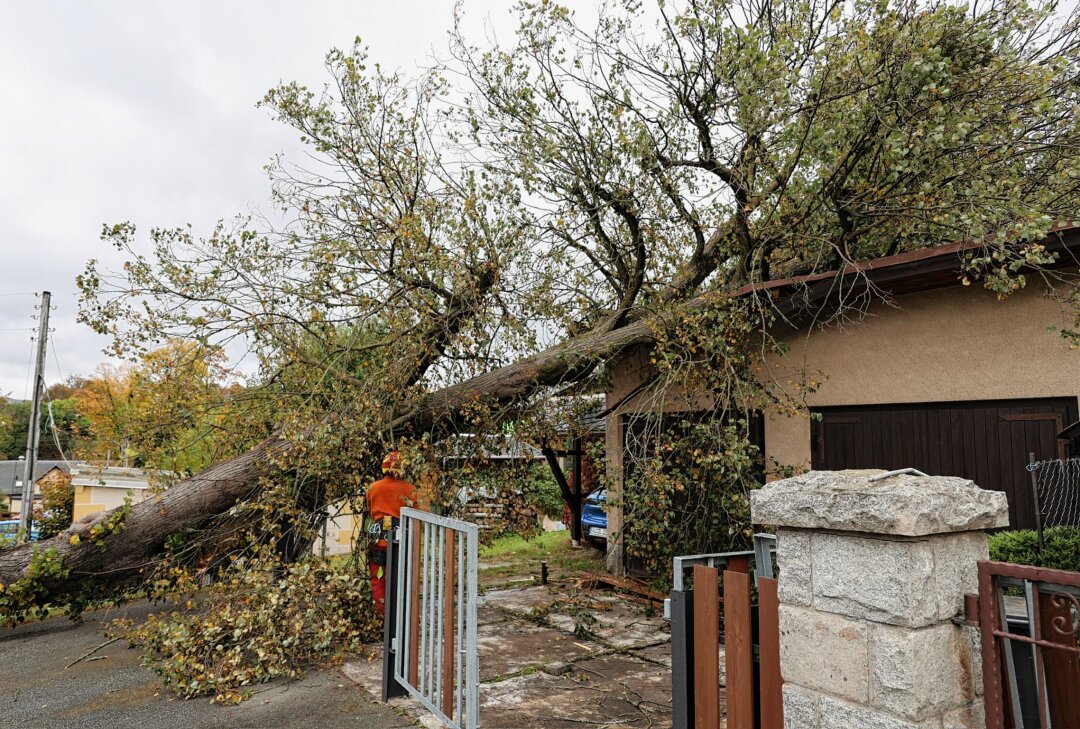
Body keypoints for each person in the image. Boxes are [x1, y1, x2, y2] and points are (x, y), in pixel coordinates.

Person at [366, 450, 416, 616]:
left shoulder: (373, 488)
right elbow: (416, 516)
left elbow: (370, 510)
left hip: (377, 542)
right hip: (400, 543)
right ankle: (399, 617)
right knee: (399, 580)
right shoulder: (409, 489)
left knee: (378, 580)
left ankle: (381, 616)